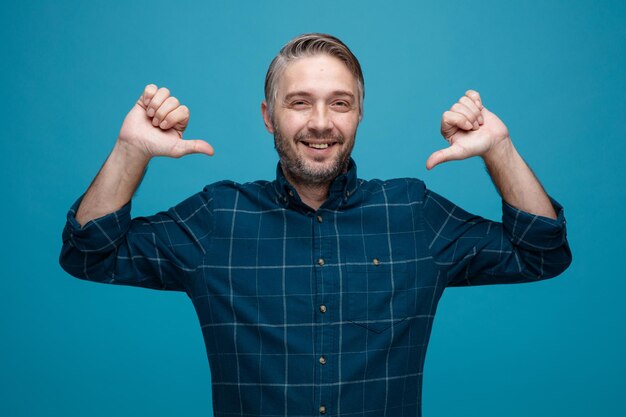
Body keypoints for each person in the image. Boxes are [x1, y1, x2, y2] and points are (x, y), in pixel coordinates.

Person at [60, 33, 572, 417]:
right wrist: (131, 151)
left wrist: (498, 149)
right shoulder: (218, 218)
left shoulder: (412, 213)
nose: (321, 122)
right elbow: (90, 253)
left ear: (359, 114)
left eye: (340, 104)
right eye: (300, 102)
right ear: (268, 115)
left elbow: (540, 253)